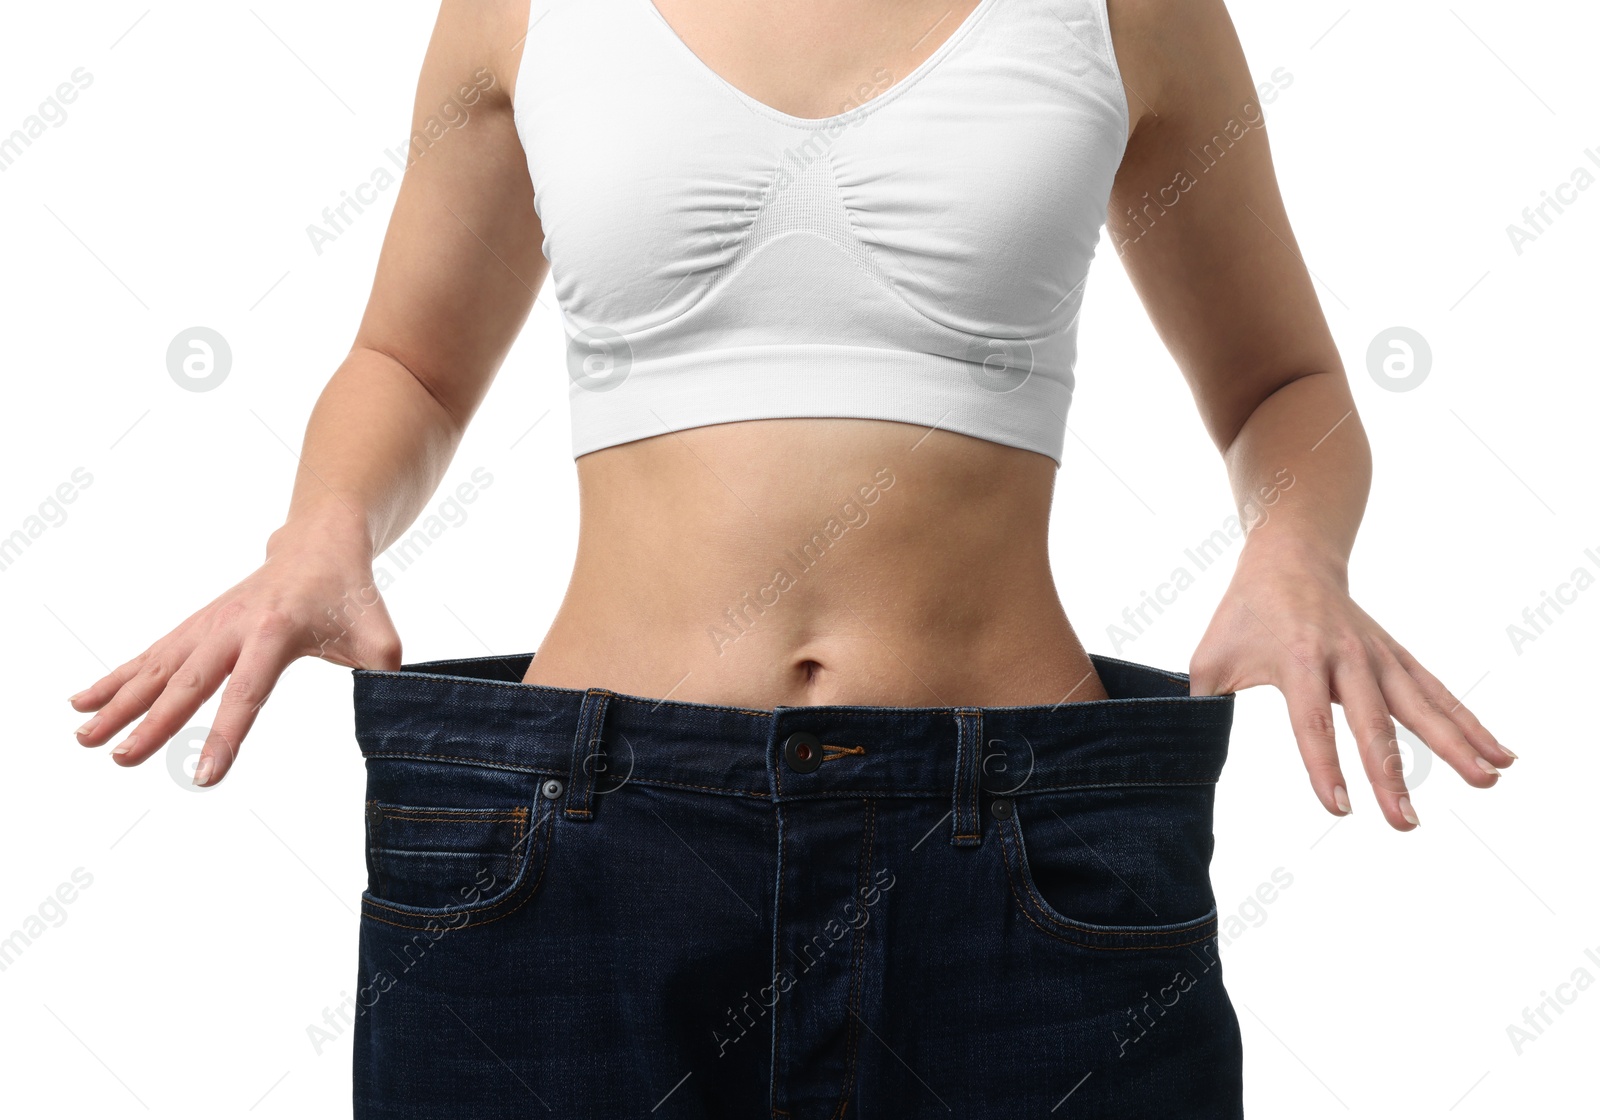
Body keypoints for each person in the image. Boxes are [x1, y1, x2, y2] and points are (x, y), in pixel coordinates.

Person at [68, 0, 1513, 1115]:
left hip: (1020, 861)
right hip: (572, 857)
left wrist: (1297, 558)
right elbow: (409, 362)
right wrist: (321, 531)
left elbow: (1282, 387)